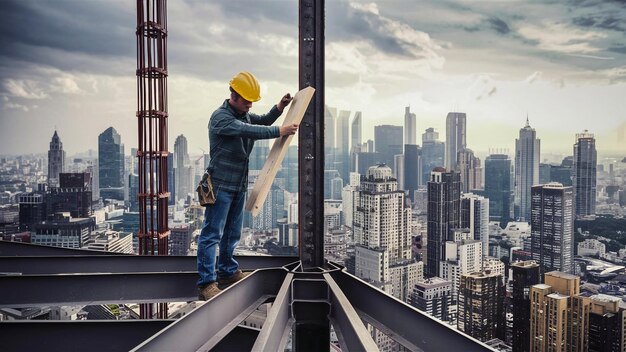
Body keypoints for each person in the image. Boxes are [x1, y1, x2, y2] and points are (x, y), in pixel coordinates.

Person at [197, 71, 297, 300]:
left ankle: (228, 272)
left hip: (238, 185)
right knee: (212, 233)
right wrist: (280, 131)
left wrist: (278, 108)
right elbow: (250, 130)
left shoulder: (243, 114)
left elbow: (260, 121)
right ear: (233, 95)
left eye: (252, 101)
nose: (249, 106)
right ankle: (206, 284)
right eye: (246, 101)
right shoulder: (221, 118)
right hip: (220, 185)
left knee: (232, 233)